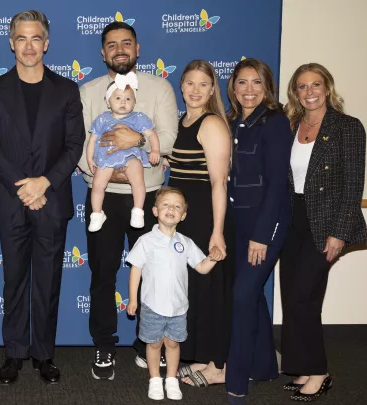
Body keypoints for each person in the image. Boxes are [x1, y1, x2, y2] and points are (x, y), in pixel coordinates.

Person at [0, 9, 85, 385]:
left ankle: (44, 354)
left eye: (35, 38)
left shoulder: (66, 89)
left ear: (46, 43)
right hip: (12, 200)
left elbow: (74, 145)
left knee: (47, 282)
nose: (28, 46)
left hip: (52, 200)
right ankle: (14, 353)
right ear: (11, 43)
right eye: (21, 38)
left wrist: (45, 183)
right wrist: (24, 186)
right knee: (14, 281)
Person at [76, 21, 178, 380]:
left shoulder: (159, 87)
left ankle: (146, 342)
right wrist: (113, 172)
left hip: (148, 198)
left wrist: (134, 142)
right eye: (112, 44)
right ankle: (104, 344)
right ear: (103, 53)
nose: (120, 49)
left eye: (127, 43)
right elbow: (80, 145)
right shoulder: (88, 92)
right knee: (103, 273)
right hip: (102, 198)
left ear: (138, 50)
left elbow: (167, 140)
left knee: (152, 274)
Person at [280, 63, 367, 402]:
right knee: (296, 297)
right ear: (295, 93)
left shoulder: (347, 127)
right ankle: (303, 365)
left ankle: (319, 371)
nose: (310, 91)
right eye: (302, 86)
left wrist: (340, 232)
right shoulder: (291, 126)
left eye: (316, 84)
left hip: (326, 224)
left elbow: (353, 185)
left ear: (327, 88)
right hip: (291, 222)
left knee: (303, 295)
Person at [224, 58, 292, 405]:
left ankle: (235, 380)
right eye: (242, 83)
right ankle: (265, 365)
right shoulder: (233, 121)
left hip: (267, 222)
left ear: (267, 88)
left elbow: (277, 184)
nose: (249, 90)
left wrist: (262, 235)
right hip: (238, 221)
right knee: (250, 295)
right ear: (233, 87)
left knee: (242, 295)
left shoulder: (275, 122)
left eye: (256, 83)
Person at [166, 60, 234, 387]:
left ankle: (217, 366)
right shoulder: (180, 121)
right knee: (191, 290)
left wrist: (217, 232)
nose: (195, 90)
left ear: (212, 89)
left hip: (206, 218)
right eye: (189, 83)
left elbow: (219, 182)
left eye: (203, 84)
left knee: (209, 291)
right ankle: (203, 358)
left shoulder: (212, 124)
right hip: (183, 219)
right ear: (181, 86)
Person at [126, 187, 223, 401]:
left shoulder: (186, 242)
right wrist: (133, 299)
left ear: (183, 215)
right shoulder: (146, 241)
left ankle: (171, 379)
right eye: (166, 205)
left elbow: (202, 267)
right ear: (154, 210)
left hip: (178, 307)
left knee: (173, 344)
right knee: (153, 344)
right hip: (152, 305)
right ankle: (154, 379)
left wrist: (214, 257)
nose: (171, 209)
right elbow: (136, 270)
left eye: (177, 206)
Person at [85, 71, 160, 232]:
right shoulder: (102, 119)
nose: (123, 102)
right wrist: (90, 159)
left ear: (134, 102)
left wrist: (155, 150)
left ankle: (138, 211)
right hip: (107, 157)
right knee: (98, 183)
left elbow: (152, 134)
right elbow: (92, 140)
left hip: (131, 156)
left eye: (128, 99)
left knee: (137, 178)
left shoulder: (138, 118)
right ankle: (97, 213)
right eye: (118, 98)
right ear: (108, 101)